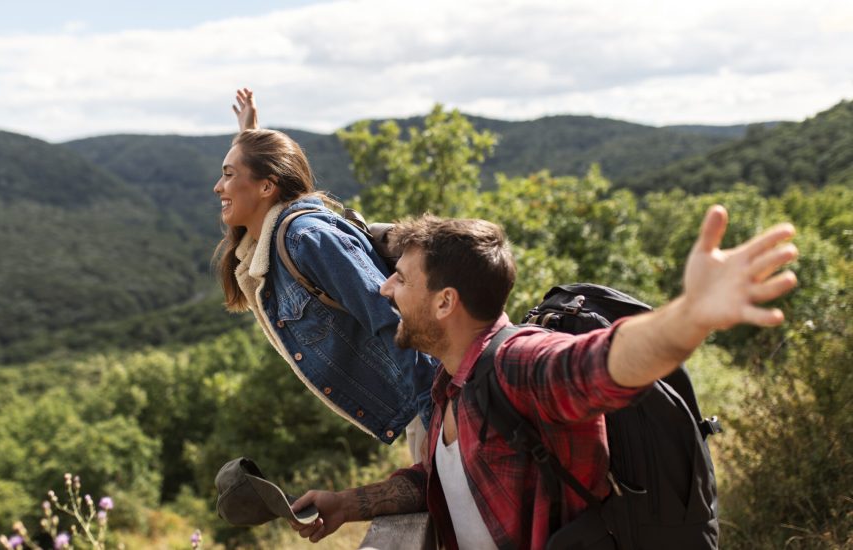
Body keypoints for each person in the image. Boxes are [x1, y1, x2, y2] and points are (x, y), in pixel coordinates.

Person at [287, 207, 799, 549]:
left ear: (446, 302)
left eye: (401, 279)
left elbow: (602, 365)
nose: (384, 290)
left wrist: (690, 316)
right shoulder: (449, 384)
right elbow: (445, 478)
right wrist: (347, 504)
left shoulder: (518, 364)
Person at [213, 88, 435, 452]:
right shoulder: (264, 249)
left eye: (227, 174)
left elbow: (391, 319)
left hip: (431, 398)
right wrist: (249, 134)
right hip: (418, 406)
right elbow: (259, 187)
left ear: (268, 186)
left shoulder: (308, 239)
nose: (217, 186)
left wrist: (437, 410)